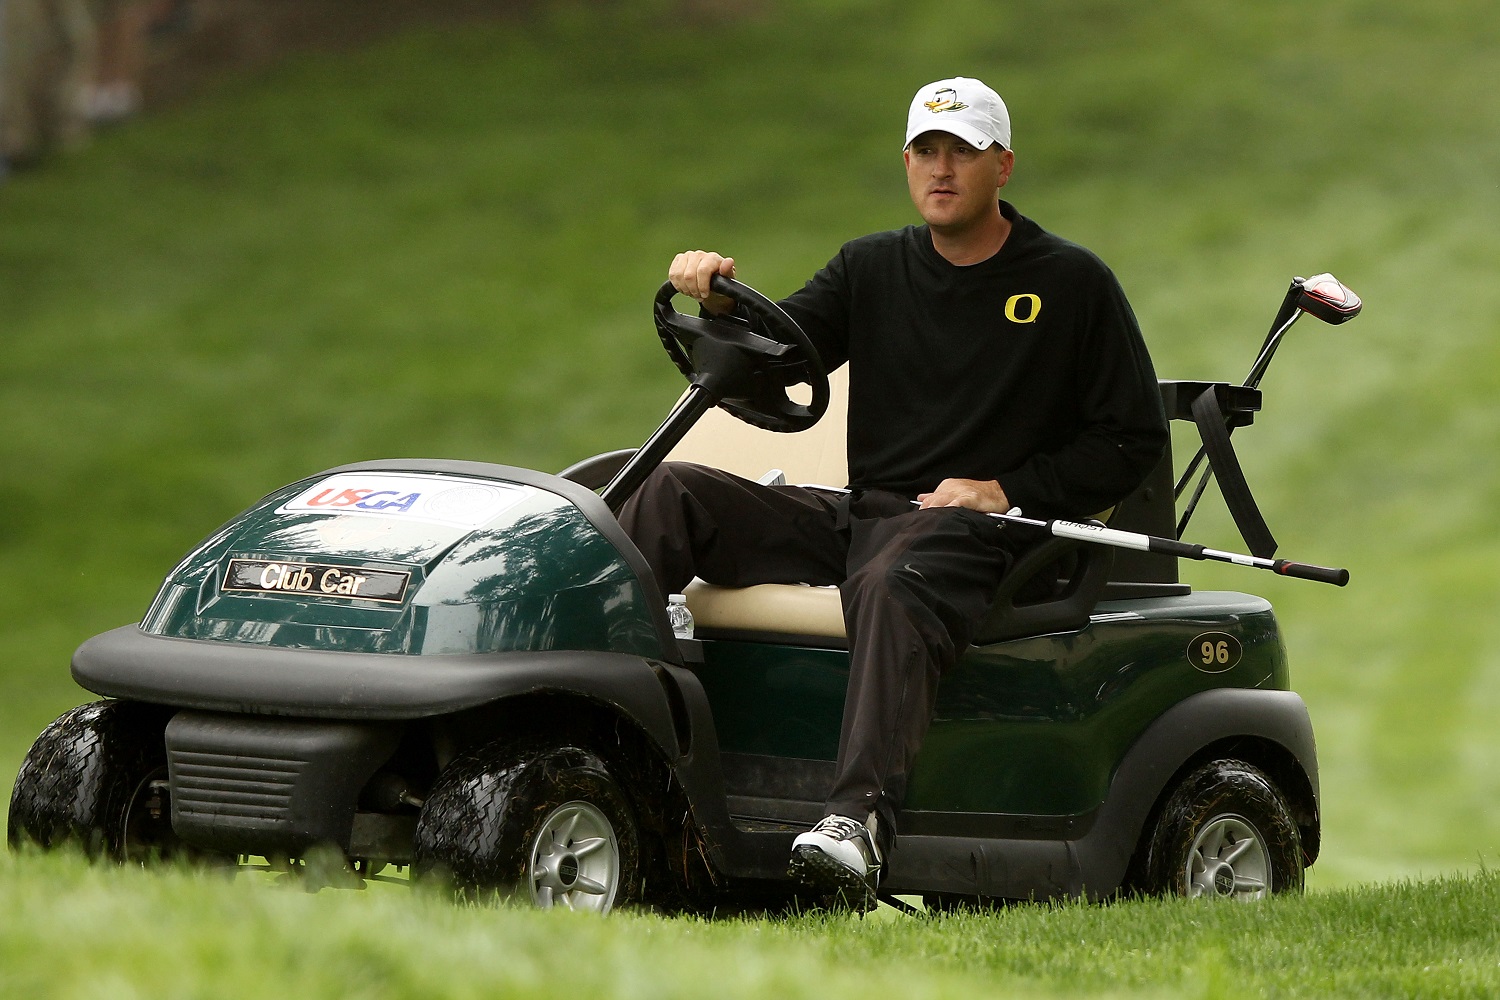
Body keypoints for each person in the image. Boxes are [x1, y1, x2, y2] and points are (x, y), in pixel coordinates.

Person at [619, 77, 1169, 904]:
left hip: (980, 537)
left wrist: (1005, 488)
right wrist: (721, 300)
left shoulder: (1070, 282)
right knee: (671, 495)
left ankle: (857, 820)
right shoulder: (871, 265)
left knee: (893, 574)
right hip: (867, 514)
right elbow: (779, 351)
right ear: (907, 163)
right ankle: (589, 716)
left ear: (1003, 166)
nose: (941, 170)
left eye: (963, 152)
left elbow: (1130, 441)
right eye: (926, 152)